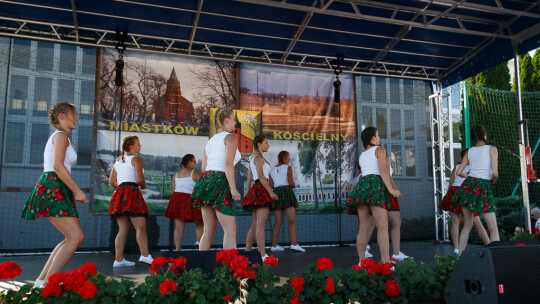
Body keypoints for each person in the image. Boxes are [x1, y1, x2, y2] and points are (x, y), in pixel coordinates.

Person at [21, 102, 88, 288]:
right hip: (53, 186)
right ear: (62, 116)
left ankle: (41, 282)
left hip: (56, 186)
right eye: (74, 114)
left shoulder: (62, 136)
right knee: (75, 237)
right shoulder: (60, 136)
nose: (77, 118)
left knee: (71, 237)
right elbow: (58, 166)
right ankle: (46, 285)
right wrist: (78, 190)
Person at [347, 127, 401, 263]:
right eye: (378, 135)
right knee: (382, 226)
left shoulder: (363, 154)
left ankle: (361, 261)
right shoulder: (379, 149)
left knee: (363, 226)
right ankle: (385, 262)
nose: (379, 138)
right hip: (375, 186)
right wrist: (391, 189)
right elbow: (383, 170)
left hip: (362, 186)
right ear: (373, 138)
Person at [191, 108, 241, 250]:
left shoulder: (211, 141)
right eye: (234, 119)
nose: (235, 122)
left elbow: (204, 168)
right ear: (226, 120)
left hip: (205, 180)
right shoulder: (230, 137)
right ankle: (230, 269)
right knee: (230, 230)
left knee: (208, 231)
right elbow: (228, 164)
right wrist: (233, 188)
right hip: (220, 180)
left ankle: (199, 271)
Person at [452, 125, 499, 255]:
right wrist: (492, 181)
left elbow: (460, 172)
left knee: (467, 225)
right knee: (493, 227)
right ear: (484, 134)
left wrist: (471, 176)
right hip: (483, 186)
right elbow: (495, 173)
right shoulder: (492, 149)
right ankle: (496, 257)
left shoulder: (469, 151)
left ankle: (459, 257)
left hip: (468, 186)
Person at [109, 135, 153, 267]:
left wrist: (122, 189)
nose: (140, 146)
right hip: (132, 192)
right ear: (130, 146)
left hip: (119, 193)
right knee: (141, 226)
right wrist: (142, 187)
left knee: (123, 229)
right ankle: (145, 255)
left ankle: (118, 260)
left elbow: (111, 181)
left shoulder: (118, 160)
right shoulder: (136, 159)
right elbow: (139, 180)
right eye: (138, 144)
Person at [440, 149, 490, 254]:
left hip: (454, 191)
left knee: (455, 221)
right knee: (476, 221)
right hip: (466, 192)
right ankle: (489, 245)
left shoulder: (457, 167)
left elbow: (451, 183)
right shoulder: (474, 167)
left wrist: (449, 196)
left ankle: (456, 247)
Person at [243, 135, 278, 260]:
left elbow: (248, 178)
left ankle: (247, 252)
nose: (268, 145)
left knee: (255, 224)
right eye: (266, 143)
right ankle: (262, 255)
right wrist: (271, 192)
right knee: (260, 225)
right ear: (259, 144)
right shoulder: (257, 158)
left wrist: (249, 194)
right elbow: (261, 177)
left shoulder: (255, 158)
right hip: (261, 189)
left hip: (257, 190)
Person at [164, 154, 203, 251]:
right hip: (190, 199)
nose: (195, 163)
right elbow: (202, 188)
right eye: (194, 161)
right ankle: (199, 243)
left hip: (177, 199)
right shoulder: (196, 172)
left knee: (179, 226)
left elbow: (174, 191)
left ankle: (177, 250)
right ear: (189, 162)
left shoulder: (176, 174)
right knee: (200, 222)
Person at [269, 151, 305, 252]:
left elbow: (271, 185)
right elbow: (291, 183)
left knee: (278, 222)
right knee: (291, 221)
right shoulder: (288, 168)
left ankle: (274, 246)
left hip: (276, 194)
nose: (289, 159)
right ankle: (293, 244)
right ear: (284, 158)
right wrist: (293, 185)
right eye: (288, 157)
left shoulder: (272, 170)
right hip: (286, 193)